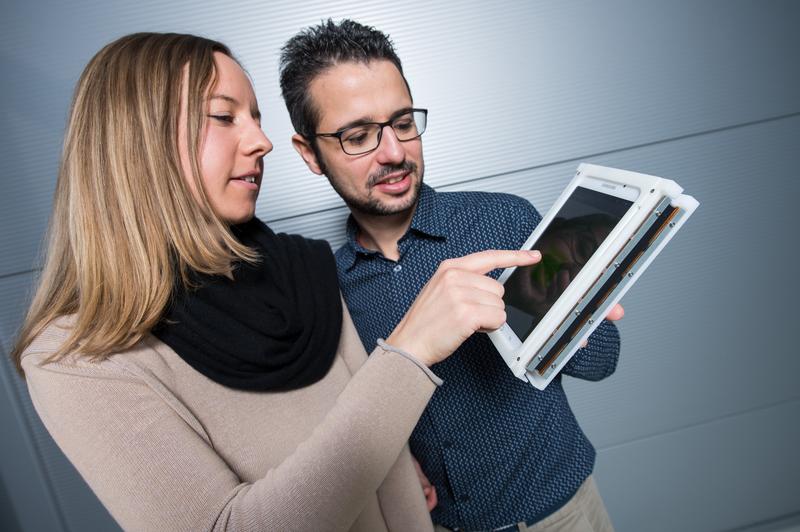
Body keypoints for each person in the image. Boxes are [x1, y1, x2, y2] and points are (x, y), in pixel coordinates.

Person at [10, 32, 540, 531]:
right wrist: (409, 351)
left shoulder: (300, 266)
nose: (261, 142)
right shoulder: (75, 356)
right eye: (224, 116)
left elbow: (367, 438)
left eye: (256, 117)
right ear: (136, 143)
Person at [281, 19, 624, 532]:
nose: (394, 152)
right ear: (310, 153)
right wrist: (394, 465)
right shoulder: (329, 287)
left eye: (402, 123)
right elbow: (354, 414)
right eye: (358, 136)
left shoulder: (504, 222)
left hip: (562, 516)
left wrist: (542, 309)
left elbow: (604, 360)